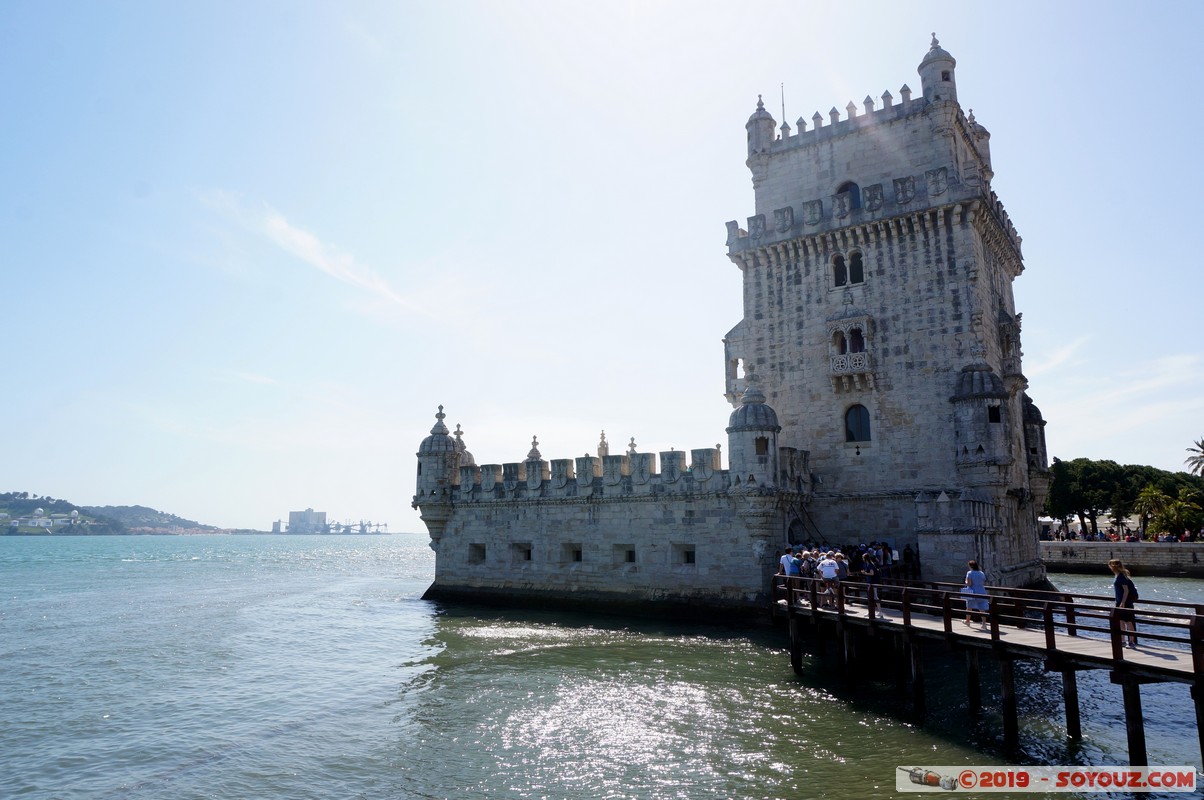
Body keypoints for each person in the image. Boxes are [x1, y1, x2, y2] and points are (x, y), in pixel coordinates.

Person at [1108, 558, 1139, 648]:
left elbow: (1126, 590)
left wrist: (1123, 602)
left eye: (1110, 565)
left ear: (1113, 566)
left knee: (1128, 622)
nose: (1110, 567)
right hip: (1119, 602)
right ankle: (1123, 641)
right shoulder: (1117, 575)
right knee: (1121, 621)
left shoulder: (1121, 577)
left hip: (1125, 603)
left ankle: (1131, 642)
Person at [962, 560, 988, 628]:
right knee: (982, 608)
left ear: (970, 566)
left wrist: (965, 581)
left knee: (969, 607)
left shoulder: (970, 573)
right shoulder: (981, 573)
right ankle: (984, 624)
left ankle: (967, 621)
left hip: (972, 592)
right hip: (982, 591)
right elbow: (983, 582)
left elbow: (969, 583)